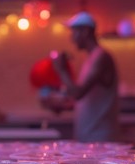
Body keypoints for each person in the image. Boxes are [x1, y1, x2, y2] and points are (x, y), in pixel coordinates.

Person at [41, 11, 120, 142]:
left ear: (85, 32)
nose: (71, 38)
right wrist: (63, 106)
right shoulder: (90, 58)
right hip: (90, 136)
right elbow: (84, 98)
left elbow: (78, 93)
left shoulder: (101, 57)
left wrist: (61, 70)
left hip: (100, 138)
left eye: (74, 32)